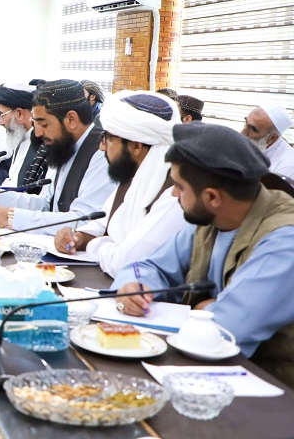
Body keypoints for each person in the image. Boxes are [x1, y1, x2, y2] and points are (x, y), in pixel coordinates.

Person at [111, 122, 294, 388]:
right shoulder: (211, 219)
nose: (173, 193)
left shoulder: (284, 241)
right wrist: (135, 287)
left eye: (179, 186)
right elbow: (149, 266)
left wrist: (206, 313)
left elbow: (222, 330)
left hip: (270, 394)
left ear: (212, 197)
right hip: (206, 376)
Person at [54, 91, 187, 276]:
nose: (101, 147)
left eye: (108, 138)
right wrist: (78, 236)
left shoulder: (175, 193)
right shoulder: (134, 176)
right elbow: (103, 222)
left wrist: (95, 244)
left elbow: (125, 263)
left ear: (136, 146)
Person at [0, 79, 116, 235]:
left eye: (44, 124)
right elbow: (46, 204)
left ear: (71, 119)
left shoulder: (102, 153)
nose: (37, 133)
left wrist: (9, 217)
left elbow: (85, 222)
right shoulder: (63, 146)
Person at [0, 83, 47, 192]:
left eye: (2, 115)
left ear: (19, 113)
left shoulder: (42, 145)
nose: (0, 122)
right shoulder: (19, 136)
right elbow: (12, 181)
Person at [241, 104, 294, 178]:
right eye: (246, 123)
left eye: (253, 129)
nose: (242, 133)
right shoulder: (252, 144)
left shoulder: (287, 166)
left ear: (272, 138)